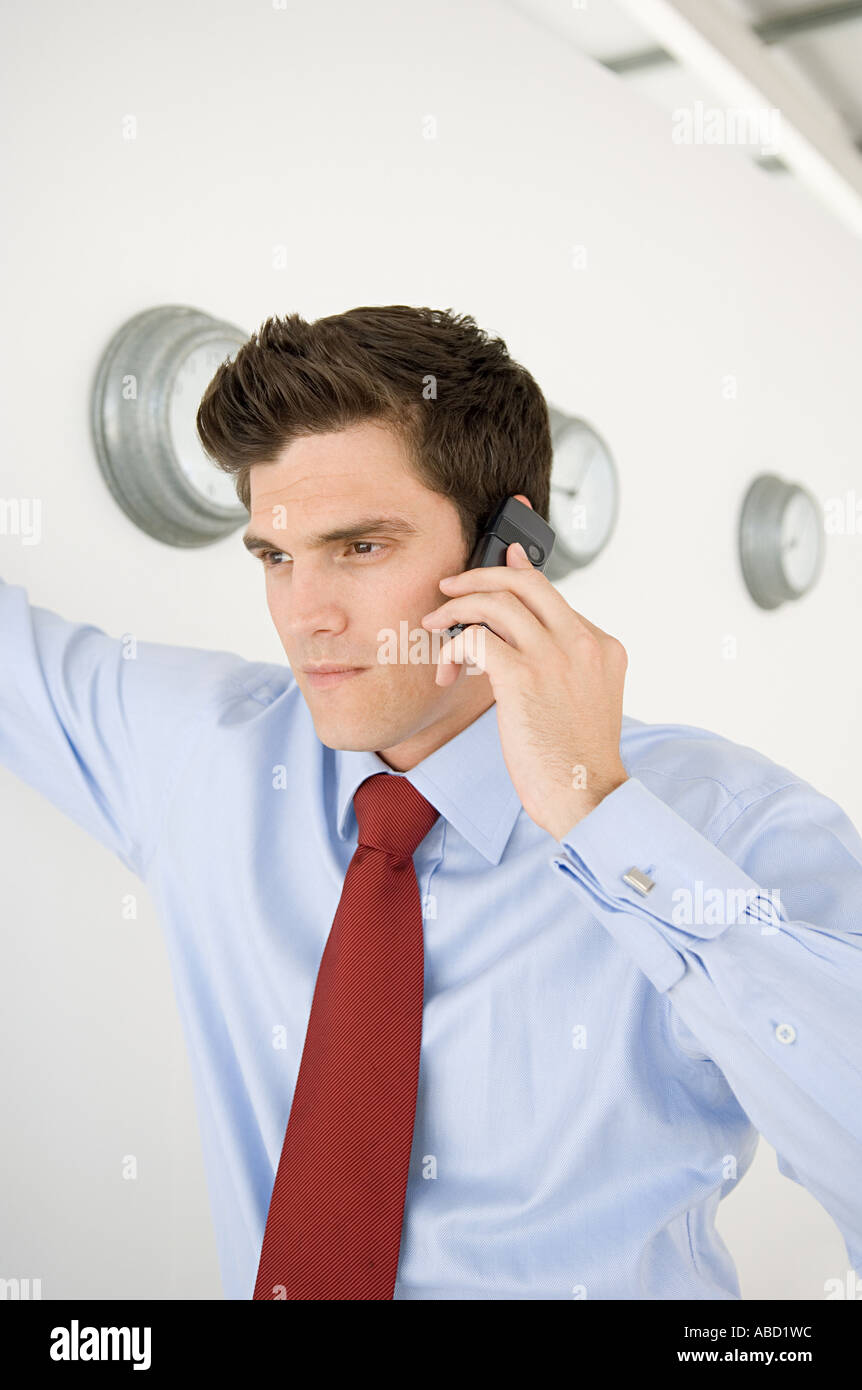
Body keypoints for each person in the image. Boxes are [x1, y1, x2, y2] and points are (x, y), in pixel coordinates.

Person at [1, 304, 860, 1301]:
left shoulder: (730, 822)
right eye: (275, 557)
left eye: (360, 547)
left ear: (507, 548)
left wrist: (600, 815)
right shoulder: (204, 752)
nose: (305, 615)